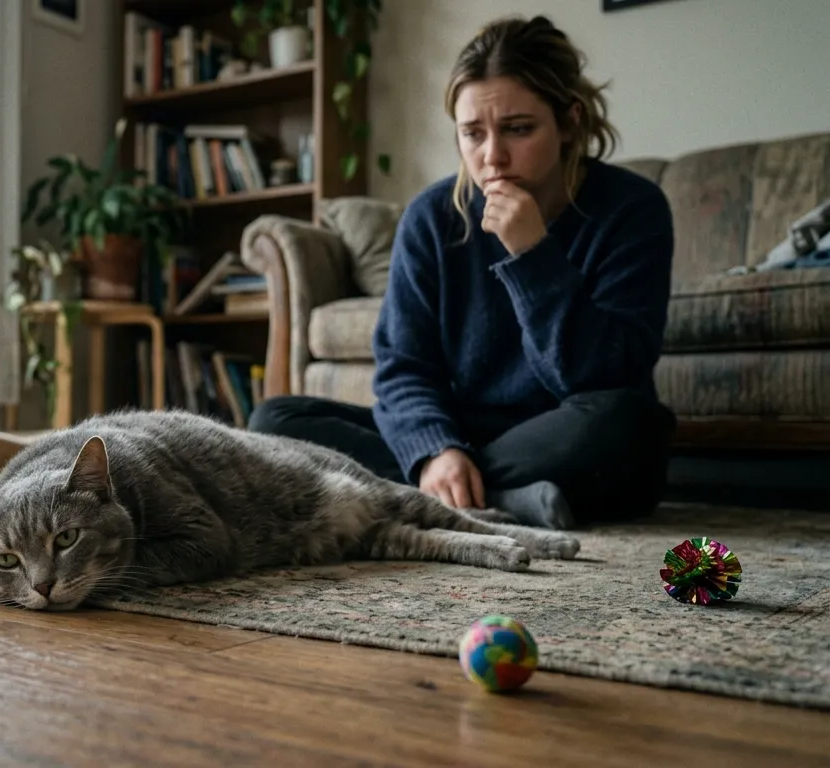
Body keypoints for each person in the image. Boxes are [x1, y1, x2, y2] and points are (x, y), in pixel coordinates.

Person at [248, 15, 677, 530]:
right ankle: (502, 498)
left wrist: (532, 254)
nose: (492, 156)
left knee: (628, 422)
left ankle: (439, 497)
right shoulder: (431, 217)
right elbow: (404, 369)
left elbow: (605, 376)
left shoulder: (633, 208)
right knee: (274, 420)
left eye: (518, 129)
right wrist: (435, 451)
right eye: (473, 133)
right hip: (461, 432)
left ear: (569, 122)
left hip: (565, 433)